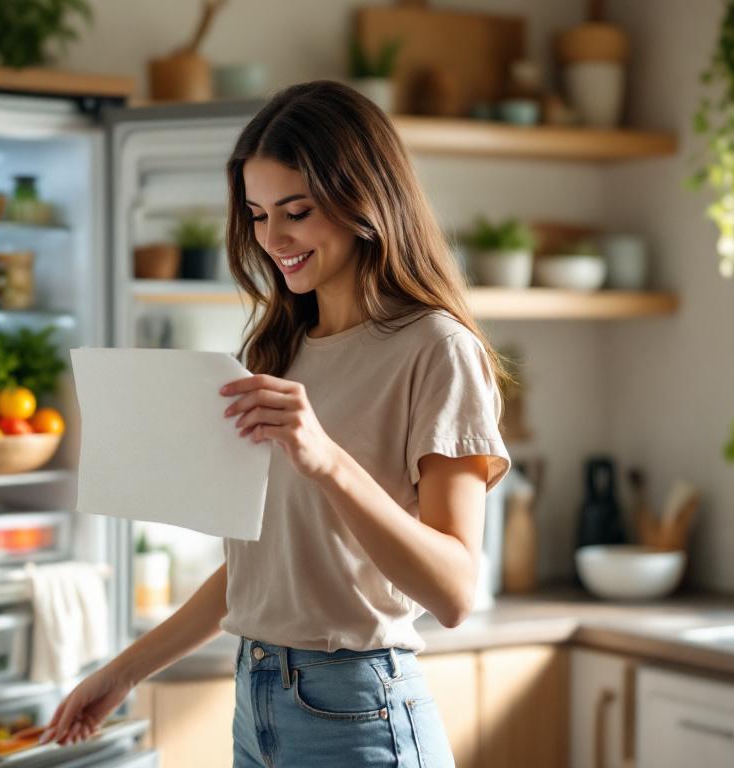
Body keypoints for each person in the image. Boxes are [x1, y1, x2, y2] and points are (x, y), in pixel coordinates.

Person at [42, 80, 511, 767]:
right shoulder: (279, 348)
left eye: (297, 211)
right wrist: (122, 673)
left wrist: (327, 460)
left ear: (364, 201)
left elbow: (455, 591)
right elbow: (254, 572)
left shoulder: (438, 351)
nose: (274, 238)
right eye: (258, 214)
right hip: (257, 702)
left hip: (359, 710)